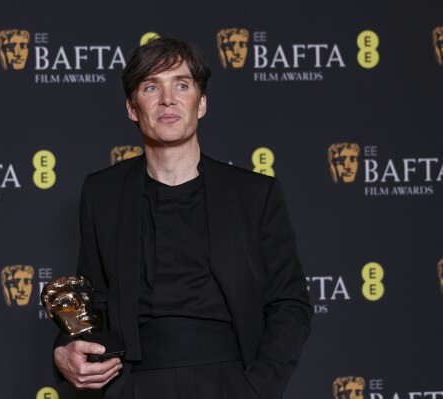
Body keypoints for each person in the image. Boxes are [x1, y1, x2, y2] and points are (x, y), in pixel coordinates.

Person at [53, 37, 312, 399]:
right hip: (134, 383)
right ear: (132, 108)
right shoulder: (102, 193)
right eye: (151, 87)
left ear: (201, 103)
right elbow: (90, 296)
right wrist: (64, 349)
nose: (168, 99)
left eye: (182, 84)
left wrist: (257, 389)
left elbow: (289, 303)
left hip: (229, 382)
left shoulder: (254, 194)